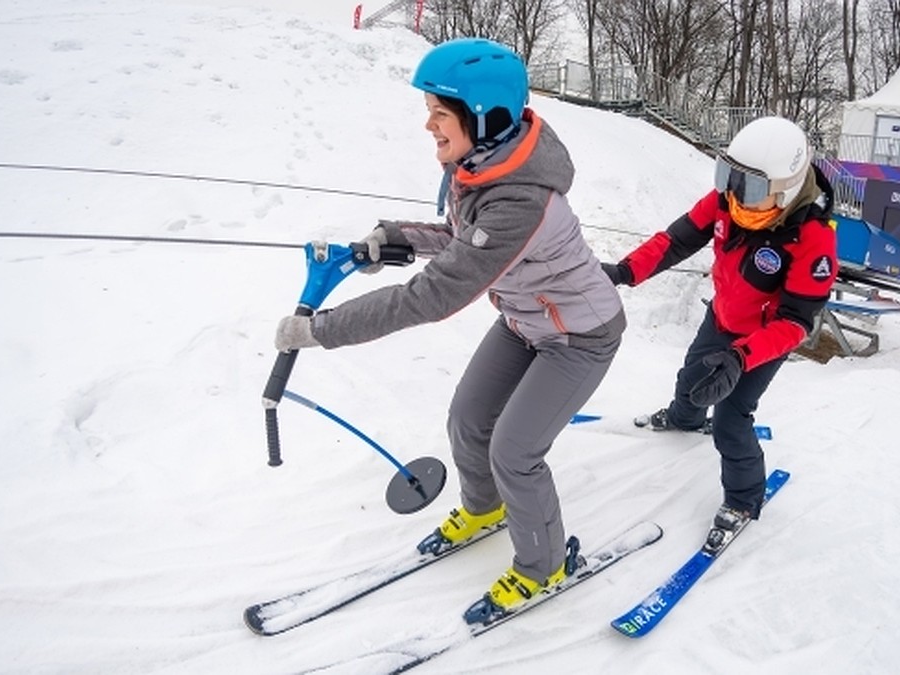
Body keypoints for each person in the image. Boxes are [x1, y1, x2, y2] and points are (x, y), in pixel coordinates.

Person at [274, 37, 625, 622]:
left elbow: (435, 294)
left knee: (515, 449)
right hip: (525, 318)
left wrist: (322, 330)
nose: (428, 125)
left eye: (440, 112)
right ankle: (486, 509)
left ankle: (545, 565)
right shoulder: (485, 162)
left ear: (483, 116)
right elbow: (461, 237)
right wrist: (397, 237)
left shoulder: (520, 198)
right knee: (468, 417)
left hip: (581, 335)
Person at [601, 115, 837, 535]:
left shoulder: (813, 239)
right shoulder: (729, 200)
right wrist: (623, 272)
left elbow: (797, 322)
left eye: (752, 187)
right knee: (691, 378)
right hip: (723, 315)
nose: (735, 193)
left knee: (731, 420)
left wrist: (740, 357)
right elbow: (675, 240)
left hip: (763, 340)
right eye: (729, 175)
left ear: (783, 192)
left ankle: (744, 499)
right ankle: (685, 418)